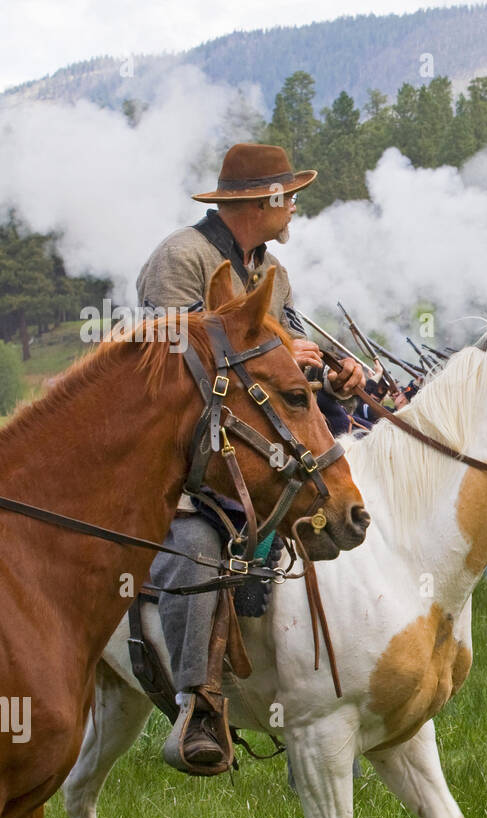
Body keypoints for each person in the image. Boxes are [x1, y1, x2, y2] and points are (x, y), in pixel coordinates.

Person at [138, 142, 368, 775]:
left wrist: (328, 375)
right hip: (183, 451)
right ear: (263, 202)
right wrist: (280, 345)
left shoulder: (274, 273)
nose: (294, 209)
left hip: (249, 449)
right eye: (288, 198)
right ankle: (198, 705)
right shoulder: (181, 258)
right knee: (196, 543)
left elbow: (277, 363)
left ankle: (310, 689)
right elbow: (173, 354)